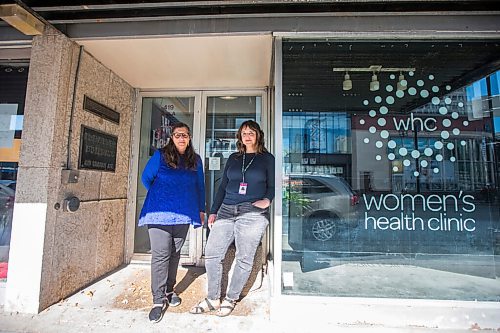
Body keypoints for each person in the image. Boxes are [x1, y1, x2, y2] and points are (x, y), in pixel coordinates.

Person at [190, 120, 275, 317]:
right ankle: (212, 298)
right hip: (226, 209)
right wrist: (213, 211)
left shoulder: (267, 158)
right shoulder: (234, 158)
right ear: (240, 136)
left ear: (258, 135)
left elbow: (272, 185)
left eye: (251, 132)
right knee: (212, 254)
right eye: (244, 133)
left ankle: (231, 298)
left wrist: (267, 201)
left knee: (244, 258)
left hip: (252, 212)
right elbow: (222, 186)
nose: (247, 136)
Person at [139, 122, 205, 323]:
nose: (181, 138)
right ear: (172, 137)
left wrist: (201, 209)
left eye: (185, 135)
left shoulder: (196, 160)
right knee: (160, 255)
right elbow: (146, 179)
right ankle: (158, 301)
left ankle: (169, 290)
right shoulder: (160, 156)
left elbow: (200, 186)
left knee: (175, 254)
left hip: (183, 214)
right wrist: (163, 195)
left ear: (190, 137)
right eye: (177, 135)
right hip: (158, 213)